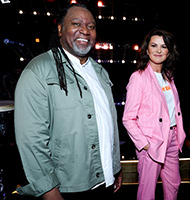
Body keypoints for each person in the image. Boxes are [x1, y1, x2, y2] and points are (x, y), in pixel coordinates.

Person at [14, 4, 122, 200]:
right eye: (76, 24)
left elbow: (109, 126)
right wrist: (49, 191)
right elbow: (31, 139)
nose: (85, 30)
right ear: (60, 29)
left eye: (91, 26)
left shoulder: (100, 73)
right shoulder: (38, 70)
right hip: (67, 190)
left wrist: (114, 167)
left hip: (106, 183)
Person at [122, 29, 186, 200]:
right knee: (147, 192)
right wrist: (145, 144)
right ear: (147, 49)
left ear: (169, 51)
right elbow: (128, 118)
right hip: (152, 142)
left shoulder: (168, 76)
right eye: (154, 45)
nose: (158, 50)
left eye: (163, 46)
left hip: (172, 139)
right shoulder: (139, 77)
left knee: (174, 185)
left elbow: (173, 111)